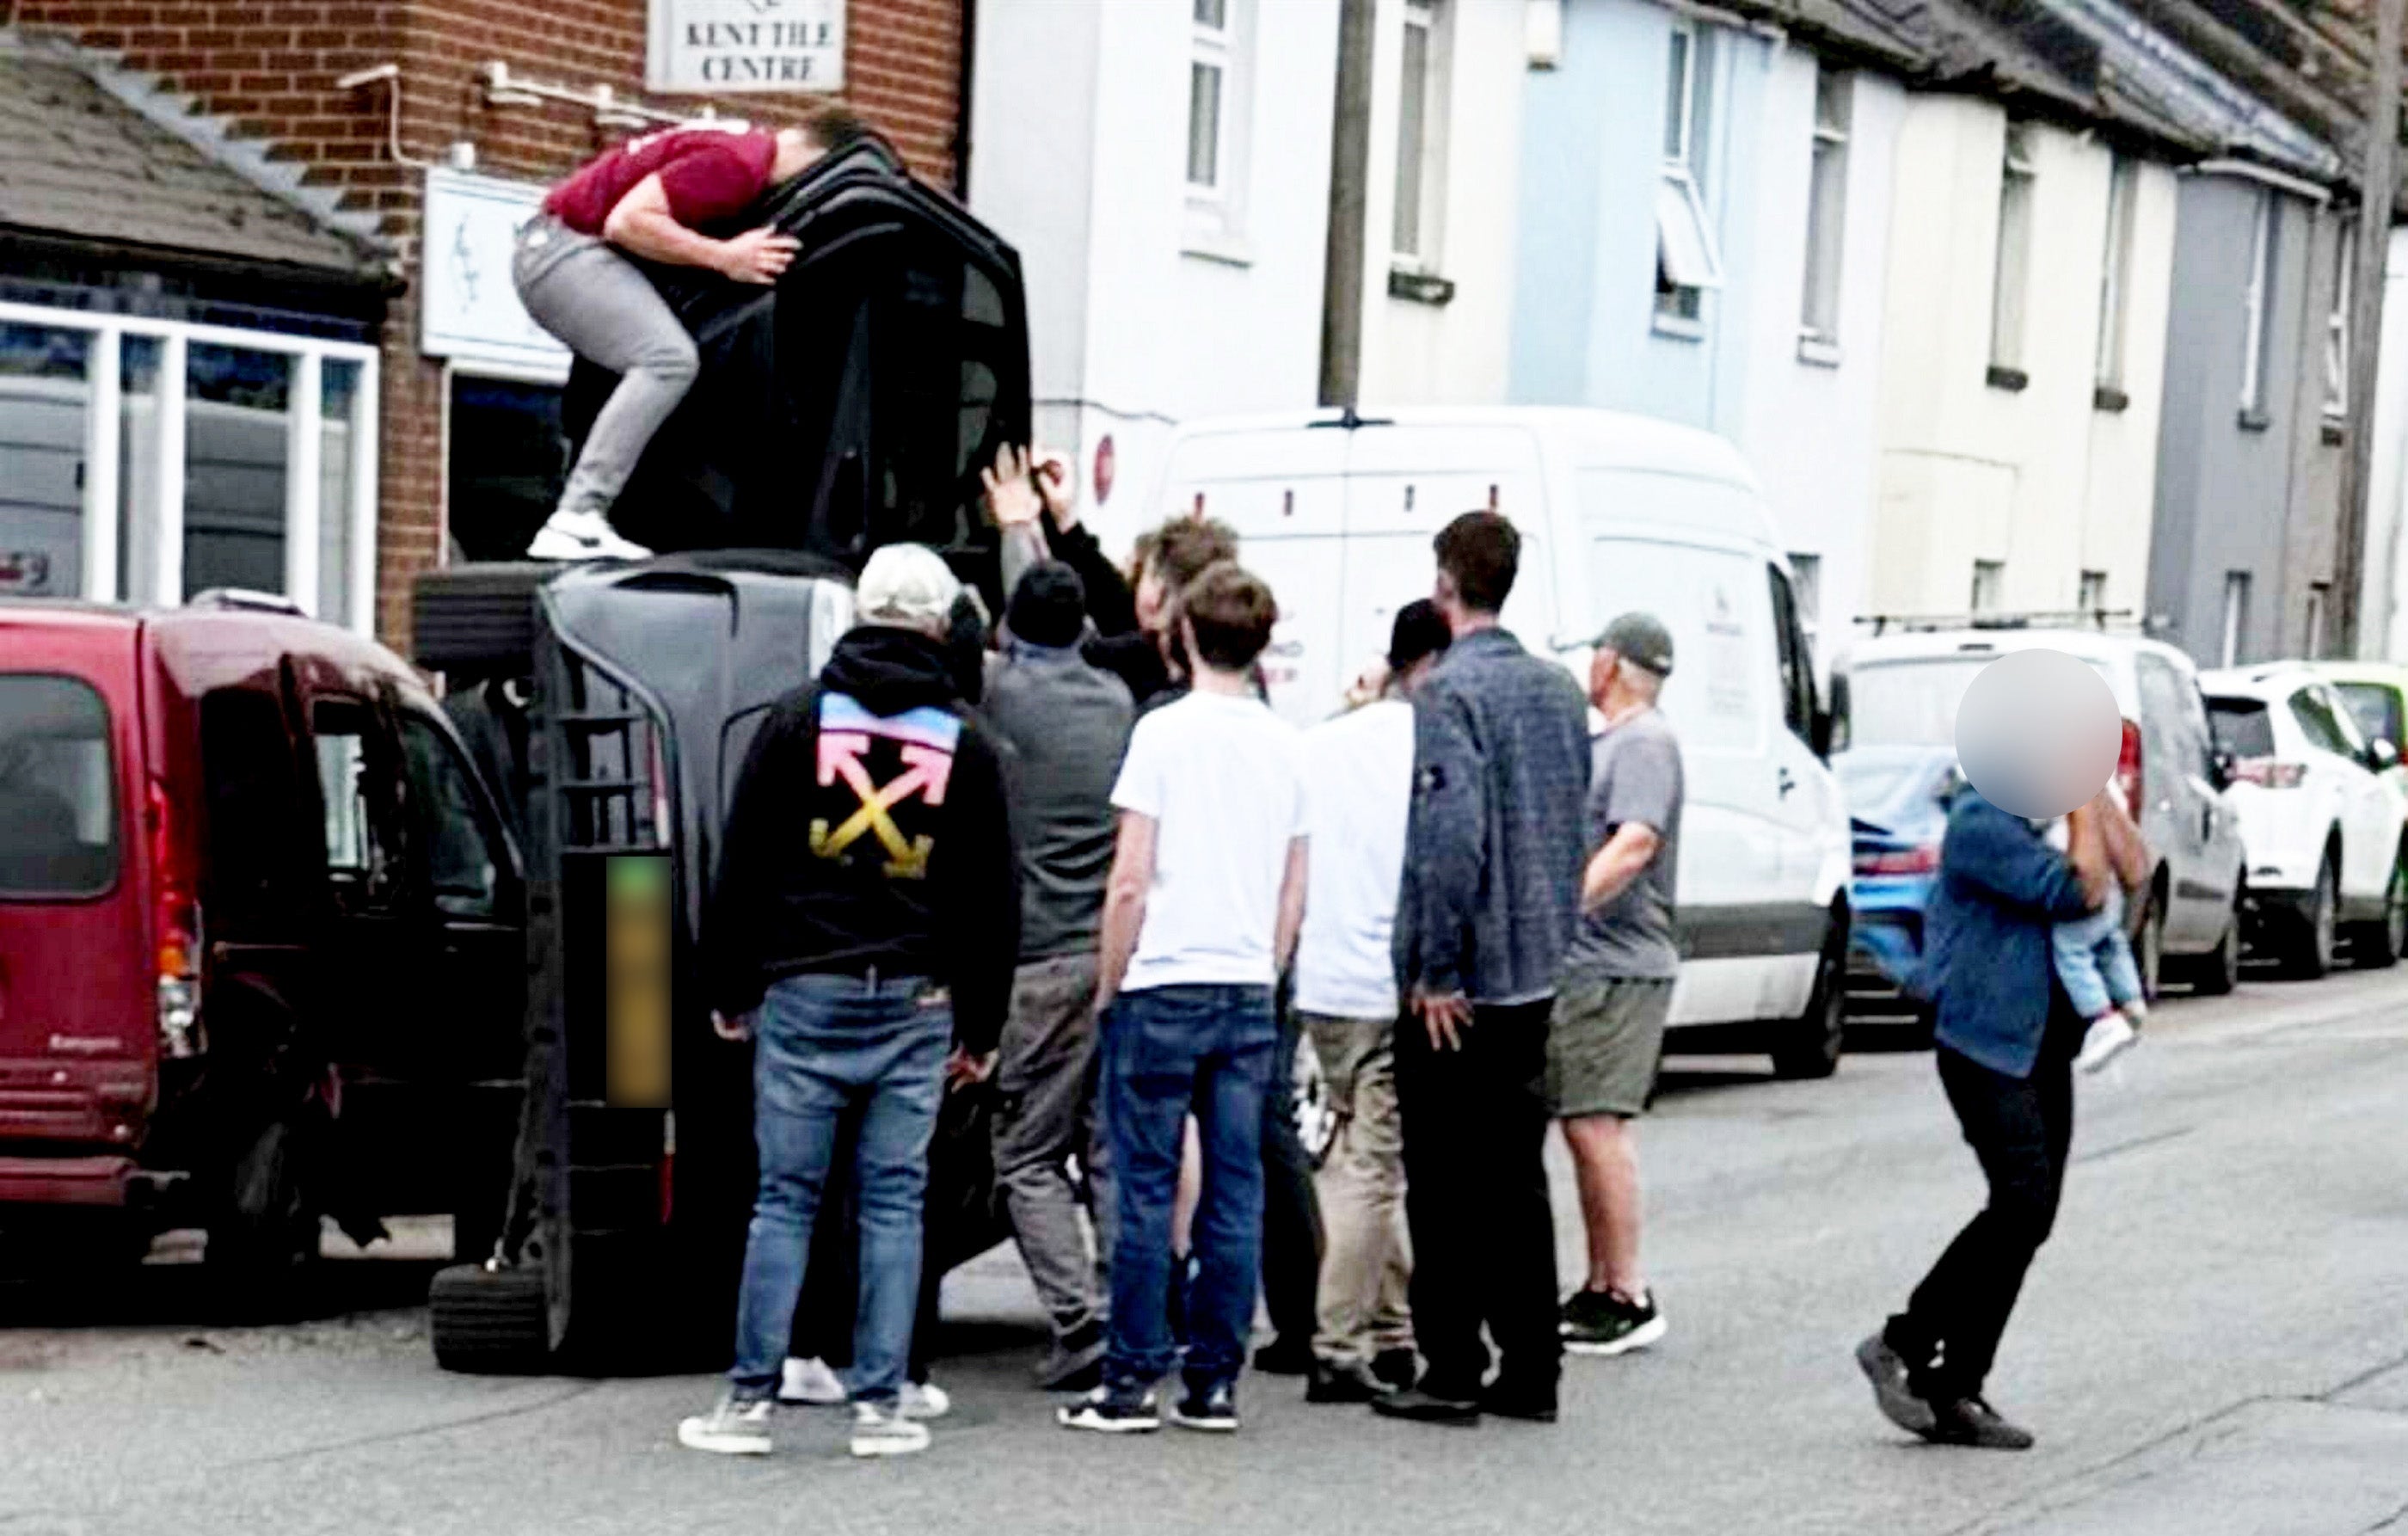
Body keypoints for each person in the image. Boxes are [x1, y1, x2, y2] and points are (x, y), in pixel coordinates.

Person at [680, 544, 1018, 1460]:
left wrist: (727, 985)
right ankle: (883, 1405)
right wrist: (981, 1026)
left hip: (805, 988)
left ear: (859, 612)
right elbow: (992, 897)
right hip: (917, 999)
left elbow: (741, 860)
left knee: (784, 1200)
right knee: (894, 1203)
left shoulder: (795, 721)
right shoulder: (968, 742)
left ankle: (748, 1403)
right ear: (942, 625)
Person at [1059, 562, 1309, 1436]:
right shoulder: (1287, 744)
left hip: (1163, 976)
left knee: (1145, 1184)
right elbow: (1292, 883)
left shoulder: (1161, 734)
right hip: (1244, 982)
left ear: (1185, 637)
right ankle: (1214, 1382)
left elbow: (1129, 877)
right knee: (1235, 1191)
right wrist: (1266, 970)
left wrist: (1109, 978)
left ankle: (1129, 1379)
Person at [1376, 512, 1591, 1428]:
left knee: (1443, 1177)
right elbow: (1572, 812)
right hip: (1538, 959)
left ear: (1444, 583)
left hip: (1465, 972)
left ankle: (1453, 1360)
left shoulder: (1448, 693)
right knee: (1514, 1175)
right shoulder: (1557, 690)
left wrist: (1431, 965)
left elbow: (1448, 837)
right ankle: (1532, 1362)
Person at [1855, 781, 2116, 1452]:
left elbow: (2135, 870)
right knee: (2021, 1202)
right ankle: (1904, 1342)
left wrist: (2102, 796)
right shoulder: (1983, 820)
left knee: (2030, 1217)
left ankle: (1955, 1388)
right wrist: (2085, 801)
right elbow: (2078, 891)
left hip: (2041, 1045)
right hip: (1984, 1043)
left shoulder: (2042, 817)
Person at [515, 108, 869, 562]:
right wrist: (723, 257)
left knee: (660, 355)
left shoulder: (741, 146)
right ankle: (578, 514)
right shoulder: (740, 165)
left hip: (557, 245)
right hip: (564, 252)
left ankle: (594, 511)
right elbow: (627, 222)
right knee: (666, 359)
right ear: (822, 158)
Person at [1294, 600, 1452, 1404]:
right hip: (1390, 981)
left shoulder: (1323, 743)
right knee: (1372, 1168)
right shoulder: (1435, 745)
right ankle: (1338, 1340)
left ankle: (1393, 1328)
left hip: (1322, 980)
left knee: (1354, 1144)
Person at [984, 559, 1136, 1391]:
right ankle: (1132, 1304)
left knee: (1026, 1154)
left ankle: (1080, 1322)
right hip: (1106, 953)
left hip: (1035, 958)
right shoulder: (1115, 703)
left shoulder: (1001, 699)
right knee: (1106, 1147)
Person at [1552, 613, 1683, 1358]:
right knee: (1583, 1121)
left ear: (1608, 664)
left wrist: (1563, 907)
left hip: (1618, 962)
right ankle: (1602, 1285)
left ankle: (1626, 1291)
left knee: (1598, 1123)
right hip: (1598, 962)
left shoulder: (1643, 743)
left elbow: (1634, 843)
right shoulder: (1621, 740)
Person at [2048, 786, 2153, 1073]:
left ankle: (2102, 1017)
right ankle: (2131, 1002)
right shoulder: (2108, 788)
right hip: (2113, 890)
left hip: (2080, 882)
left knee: (2071, 950)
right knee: (2110, 944)